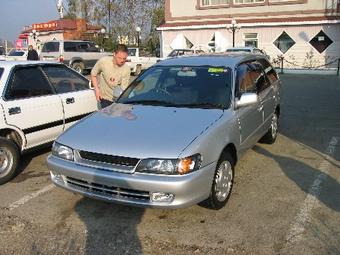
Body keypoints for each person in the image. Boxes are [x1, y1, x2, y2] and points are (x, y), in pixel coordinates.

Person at [91, 44, 130, 108]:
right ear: (114, 54)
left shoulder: (126, 69)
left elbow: (123, 89)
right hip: (104, 99)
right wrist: (97, 90)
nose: (122, 61)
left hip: (117, 101)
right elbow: (93, 74)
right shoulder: (103, 62)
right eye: (119, 58)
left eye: (124, 58)